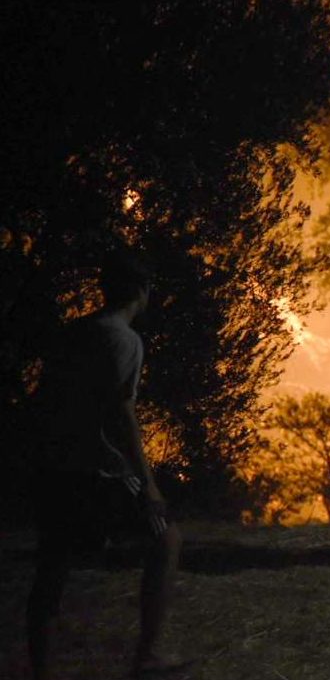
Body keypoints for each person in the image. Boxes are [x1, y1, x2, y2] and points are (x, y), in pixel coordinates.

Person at [26, 250, 184, 679]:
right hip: (97, 473)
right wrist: (147, 485)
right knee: (166, 539)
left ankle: (40, 668)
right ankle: (147, 655)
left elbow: (43, 400)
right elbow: (122, 413)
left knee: (52, 567)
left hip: (54, 468)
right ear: (140, 291)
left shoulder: (74, 332)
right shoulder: (125, 340)